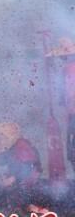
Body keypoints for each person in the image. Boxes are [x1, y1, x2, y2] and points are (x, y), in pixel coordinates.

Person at [0, 122, 42, 191]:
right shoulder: (7, 148)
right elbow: (1, 162)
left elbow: (29, 168)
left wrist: (13, 178)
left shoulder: (22, 145)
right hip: (15, 181)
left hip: (28, 183)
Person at [46, 38, 75, 169]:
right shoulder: (67, 70)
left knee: (73, 151)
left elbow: (65, 96)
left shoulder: (68, 70)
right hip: (72, 114)